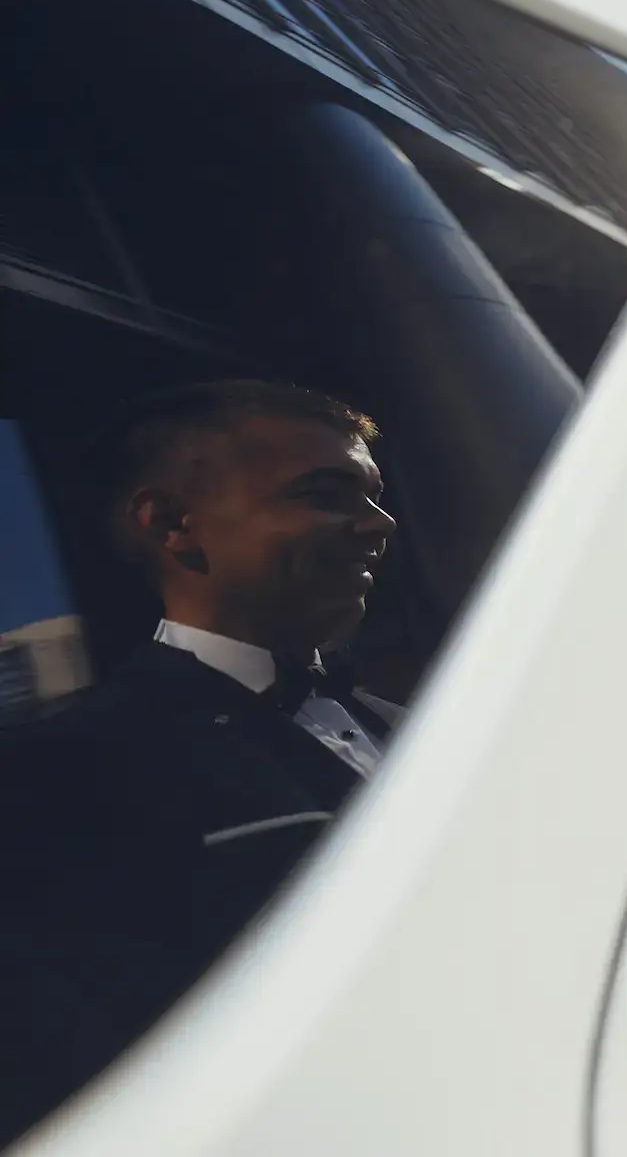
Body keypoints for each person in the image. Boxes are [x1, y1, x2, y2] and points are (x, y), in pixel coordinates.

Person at [0, 380, 398, 1146]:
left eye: (375, 496)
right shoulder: (69, 773)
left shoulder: (418, 724)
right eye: (326, 493)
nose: (379, 525)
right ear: (175, 527)